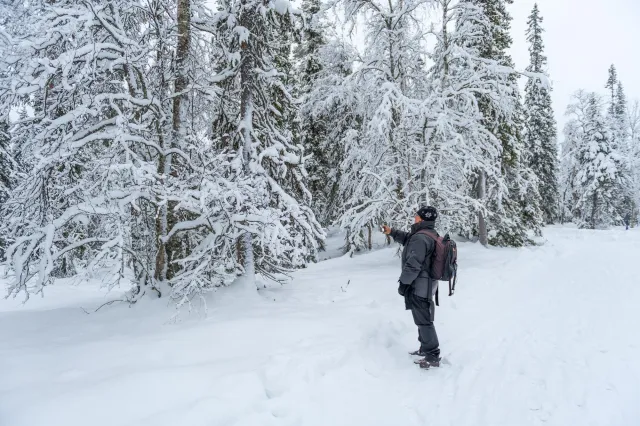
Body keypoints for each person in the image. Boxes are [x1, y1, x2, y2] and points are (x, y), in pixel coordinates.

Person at [382, 206, 441, 368]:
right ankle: (425, 348)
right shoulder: (428, 234)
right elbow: (408, 239)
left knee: (424, 321)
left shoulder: (420, 238)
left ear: (421, 219)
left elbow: (413, 265)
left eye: (416, 215)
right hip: (428, 284)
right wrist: (391, 231)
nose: (414, 217)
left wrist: (404, 283)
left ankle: (432, 355)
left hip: (419, 285)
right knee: (423, 318)